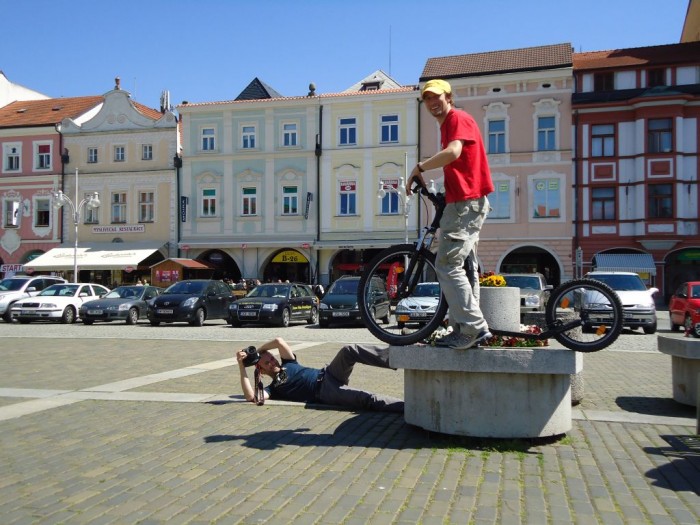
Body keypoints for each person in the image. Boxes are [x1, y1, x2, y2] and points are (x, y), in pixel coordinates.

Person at [406, 79, 495, 350]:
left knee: (446, 265)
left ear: (449, 97)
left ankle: (474, 328)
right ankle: (463, 329)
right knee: (467, 269)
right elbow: (460, 163)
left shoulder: (457, 118)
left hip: (466, 204)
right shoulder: (448, 125)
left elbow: (454, 153)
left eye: (437, 97)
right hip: (465, 202)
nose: (432, 103)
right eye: (427, 99)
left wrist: (419, 168)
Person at [236, 337, 404, 413]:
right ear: (262, 371)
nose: (273, 362)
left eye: (272, 358)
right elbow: (252, 397)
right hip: (324, 392)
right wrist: (242, 366)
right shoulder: (273, 388)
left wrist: (257, 353)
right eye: (267, 363)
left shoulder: (289, 362)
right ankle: (407, 407)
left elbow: (279, 341)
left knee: (348, 350)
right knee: (367, 399)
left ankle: (400, 358)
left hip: (328, 373)